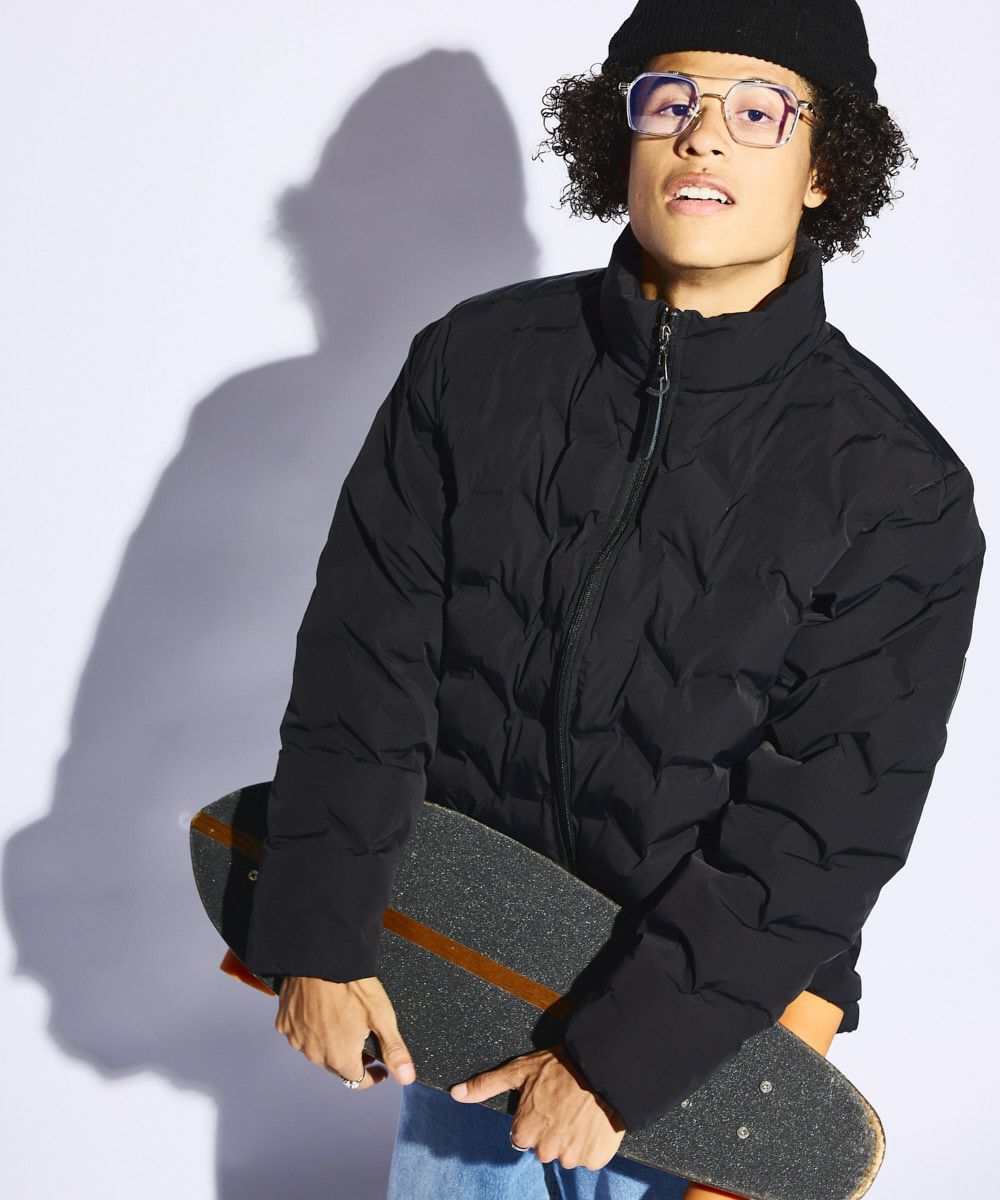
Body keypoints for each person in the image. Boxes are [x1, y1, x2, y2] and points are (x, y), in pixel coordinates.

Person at [242, 2, 987, 1196]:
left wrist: (615, 1066)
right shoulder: (472, 366)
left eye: (759, 109)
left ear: (823, 168)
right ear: (619, 133)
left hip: (717, 1051)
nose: (703, 135)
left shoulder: (895, 484)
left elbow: (825, 823)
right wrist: (318, 935)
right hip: (468, 993)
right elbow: (363, 666)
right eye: (668, 99)